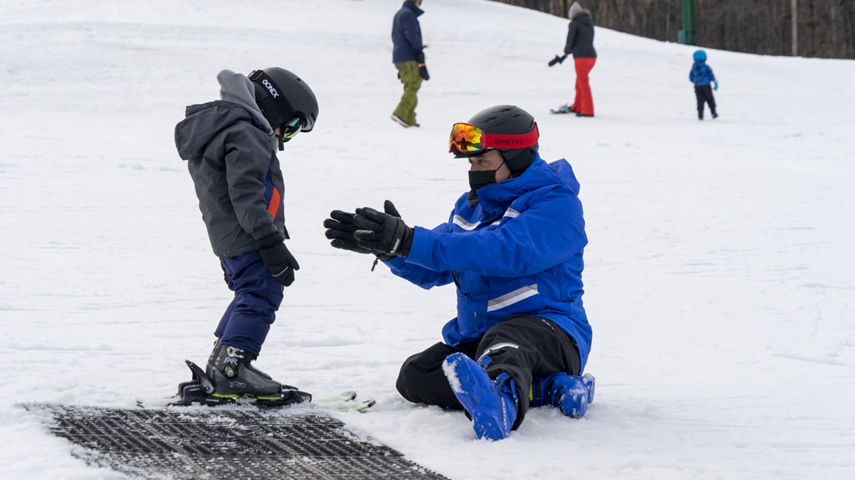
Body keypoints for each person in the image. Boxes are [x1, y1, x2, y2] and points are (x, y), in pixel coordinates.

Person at [324, 105, 595, 440]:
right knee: (416, 376)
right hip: (486, 337)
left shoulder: (557, 206)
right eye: (471, 162)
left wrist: (410, 241)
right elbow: (439, 264)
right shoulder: (473, 206)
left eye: (483, 161)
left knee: (505, 344)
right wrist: (392, 249)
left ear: (516, 158)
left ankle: (503, 408)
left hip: (552, 332)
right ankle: (550, 389)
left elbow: (502, 251)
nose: (474, 170)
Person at [174, 67, 318, 401]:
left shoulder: (227, 127)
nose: (287, 136)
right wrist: (269, 240)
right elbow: (247, 194)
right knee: (261, 293)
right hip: (249, 234)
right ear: (275, 107)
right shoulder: (247, 133)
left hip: (231, 235)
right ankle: (232, 370)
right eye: (293, 126)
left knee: (250, 293)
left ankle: (223, 363)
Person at [548, 1, 597, 117]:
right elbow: (583, 40)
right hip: (592, 57)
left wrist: (566, 51)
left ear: (573, 15)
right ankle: (578, 106)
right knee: (580, 81)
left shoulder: (574, 24)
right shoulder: (589, 24)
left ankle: (587, 111)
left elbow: (570, 39)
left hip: (582, 58)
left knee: (583, 82)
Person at [391, 0, 429, 128]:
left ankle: (409, 119)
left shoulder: (399, 14)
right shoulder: (408, 14)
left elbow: (395, 36)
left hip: (400, 56)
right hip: (408, 56)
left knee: (410, 86)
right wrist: (418, 51)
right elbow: (411, 35)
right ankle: (400, 113)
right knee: (414, 85)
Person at [690, 49, 719, 120]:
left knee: (700, 100)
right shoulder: (706, 67)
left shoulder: (693, 68)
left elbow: (691, 77)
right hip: (706, 86)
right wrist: (714, 82)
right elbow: (711, 74)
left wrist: (696, 81)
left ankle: (700, 115)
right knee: (710, 99)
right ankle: (713, 112)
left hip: (697, 87)